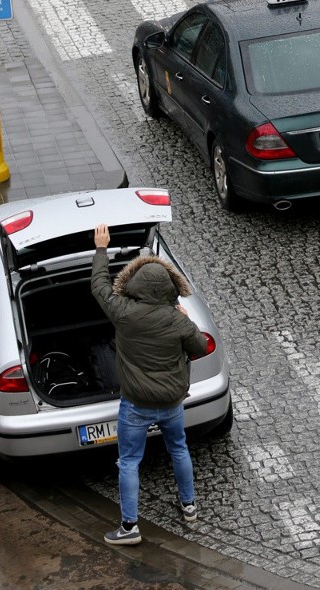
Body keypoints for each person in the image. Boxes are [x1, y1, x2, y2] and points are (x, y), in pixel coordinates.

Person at [90, 222, 209, 545]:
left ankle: (129, 527)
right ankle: (189, 507)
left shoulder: (123, 313)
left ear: (137, 286)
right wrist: (185, 319)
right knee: (178, 449)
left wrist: (101, 248)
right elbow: (200, 348)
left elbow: (99, 286)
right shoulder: (176, 320)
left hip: (135, 404)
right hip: (171, 402)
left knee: (129, 461)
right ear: (169, 289)